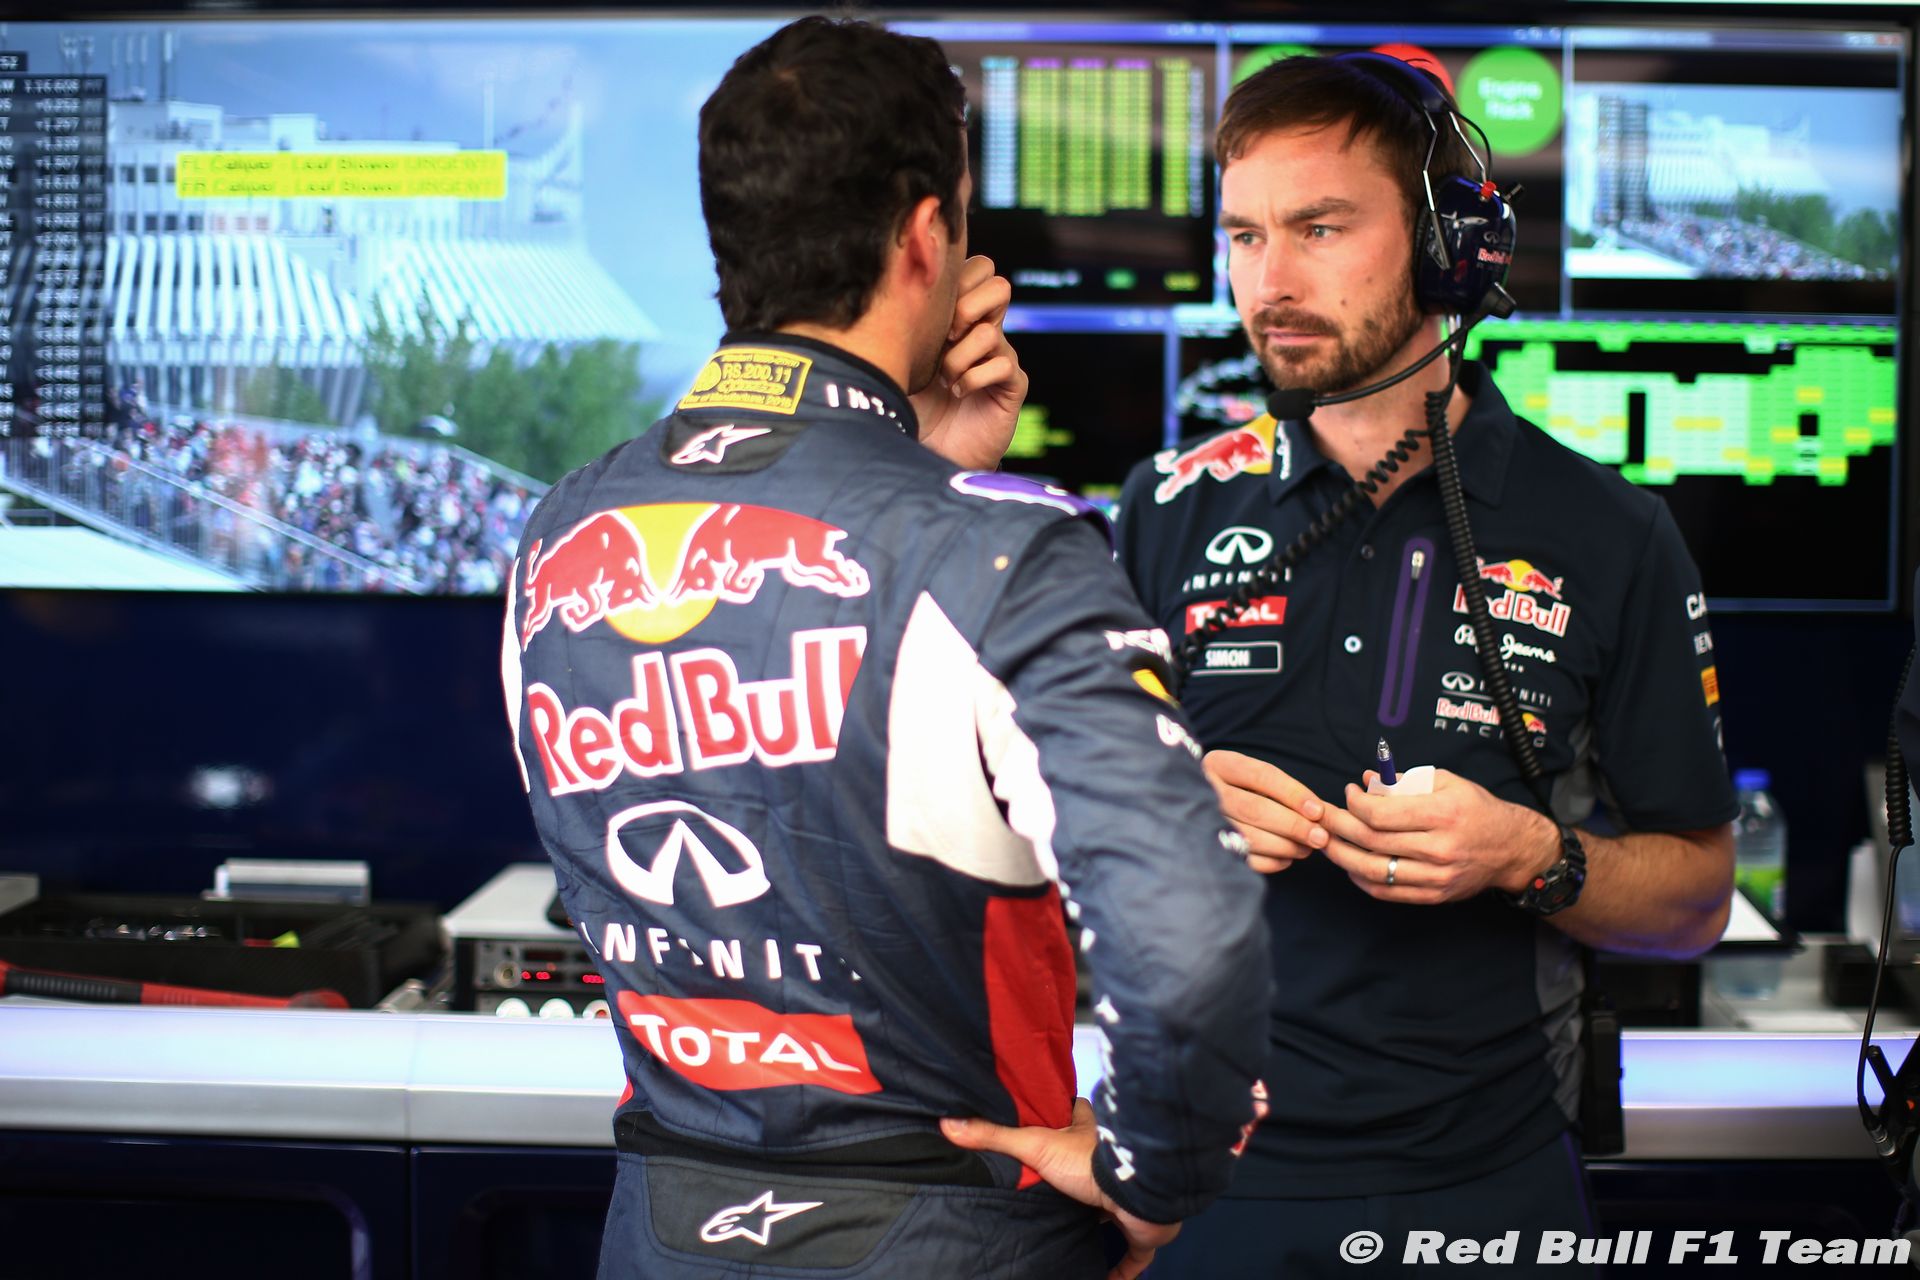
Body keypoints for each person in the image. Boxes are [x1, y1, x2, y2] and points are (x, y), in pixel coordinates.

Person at [502, 17, 1271, 1280]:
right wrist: (1152, 1172)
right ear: (925, 236)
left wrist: (911, 466)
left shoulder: (558, 530)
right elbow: (1191, 941)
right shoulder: (1006, 553)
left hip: (662, 1231)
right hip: (956, 1229)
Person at [1111, 54, 1737, 1276]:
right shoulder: (1162, 510)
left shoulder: (1611, 533)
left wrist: (1531, 855)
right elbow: (1029, 843)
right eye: (1244, 235)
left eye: (1320, 228)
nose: (1269, 282)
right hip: (1200, 1176)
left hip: (1488, 1180)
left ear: (1451, 251)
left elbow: (1697, 901)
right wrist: (1168, 808)